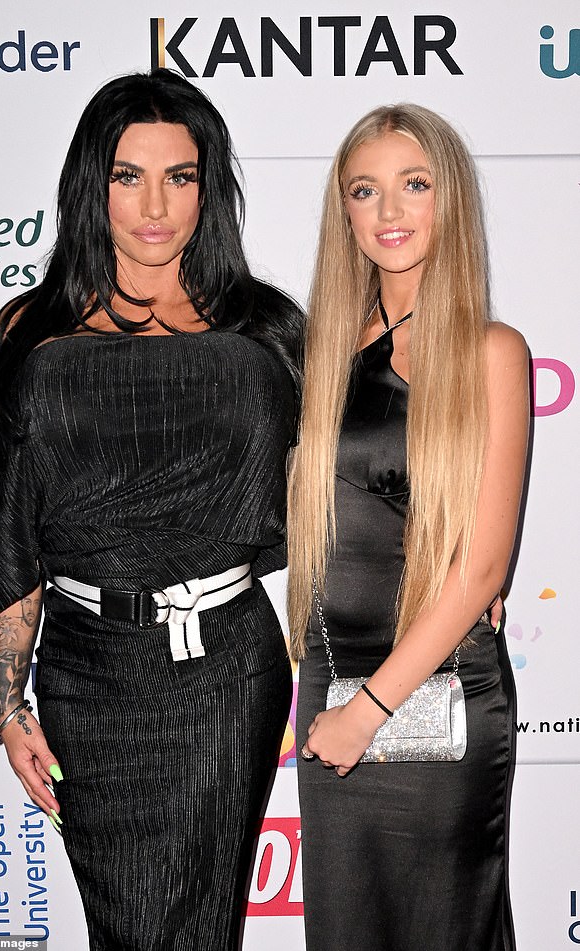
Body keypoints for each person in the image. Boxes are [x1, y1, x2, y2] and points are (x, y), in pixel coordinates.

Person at [0, 68, 302, 951]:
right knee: (124, 926)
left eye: (180, 176)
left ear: (208, 187)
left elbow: (333, 494)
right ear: (94, 184)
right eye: (129, 176)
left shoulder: (266, 331)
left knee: (199, 925)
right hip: (84, 676)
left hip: (222, 671)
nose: (155, 205)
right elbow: (12, 528)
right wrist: (9, 703)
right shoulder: (30, 329)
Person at [289, 103, 529, 951]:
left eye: (414, 184)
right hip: (330, 685)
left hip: (441, 692)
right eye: (365, 190)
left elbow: (482, 566)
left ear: (448, 197)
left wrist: (369, 711)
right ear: (345, 212)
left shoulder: (492, 351)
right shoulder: (318, 353)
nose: (389, 211)